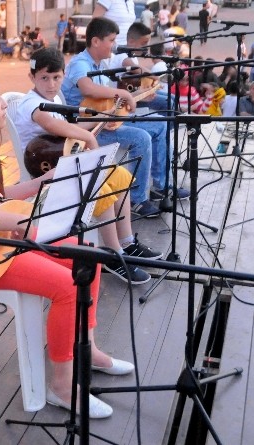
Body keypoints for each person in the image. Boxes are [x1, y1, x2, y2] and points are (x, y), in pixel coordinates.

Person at [0, 67, 135, 419]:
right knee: (66, 284)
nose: (4, 104)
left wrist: (43, 181)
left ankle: (86, 349)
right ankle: (62, 386)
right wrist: (24, 221)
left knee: (85, 257)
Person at [13, 47, 162, 283]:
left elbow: (69, 132)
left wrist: (103, 120)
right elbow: (50, 124)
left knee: (119, 175)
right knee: (100, 187)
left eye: (56, 78)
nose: (51, 84)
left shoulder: (56, 98)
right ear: (32, 77)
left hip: (68, 161)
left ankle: (127, 243)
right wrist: (90, 137)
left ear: (63, 76)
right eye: (44, 78)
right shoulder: (31, 103)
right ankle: (113, 255)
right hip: (48, 172)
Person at [61, 17, 180, 218]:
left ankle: (161, 185)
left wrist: (137, 96)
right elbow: (87, 88)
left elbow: (104, 99)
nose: (115, 45)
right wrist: (123, 95)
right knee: (141, 137)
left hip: (106, 119)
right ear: (96, 41)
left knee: (159, 125)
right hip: (87, 130)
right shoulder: (80, 62)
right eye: (111, 40)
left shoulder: (100, 64)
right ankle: (136, 199)